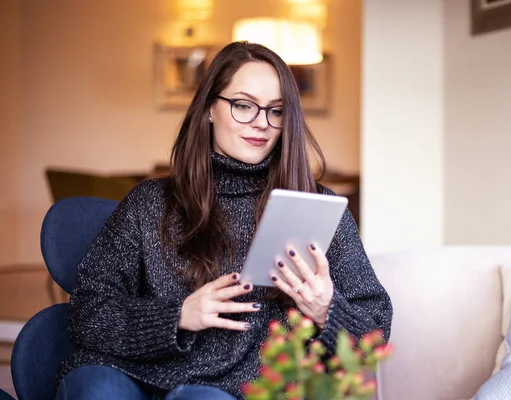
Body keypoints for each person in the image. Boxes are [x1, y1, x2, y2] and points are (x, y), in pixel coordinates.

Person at [55, 41, 393, 400]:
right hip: (131, 371)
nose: (261, 123)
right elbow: (86, 315)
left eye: (276, 111)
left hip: (237, 390)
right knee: (97, 390)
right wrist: (178, 316)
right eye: (243, 106)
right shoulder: (149, 202)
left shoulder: (315, 209)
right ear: (209, 109)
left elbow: (372, 339)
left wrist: (327, 309)